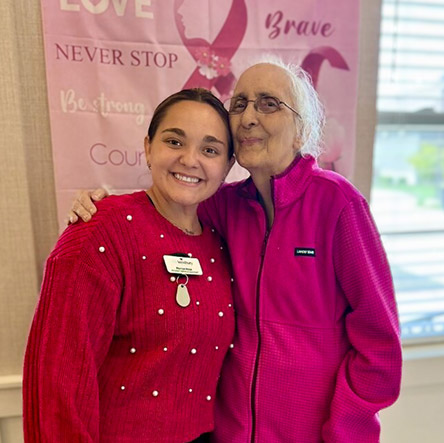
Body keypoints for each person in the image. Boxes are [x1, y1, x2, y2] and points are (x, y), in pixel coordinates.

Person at [68, 62, 403, 442]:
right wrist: (105, 204)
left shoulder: (338, 204)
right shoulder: (221, 205)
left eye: (268, 104)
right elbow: (162, 207)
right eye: (239, 104)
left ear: (303, 130)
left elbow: (380, 347)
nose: (247, 118)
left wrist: (346, 431)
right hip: (225, 434)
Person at [23, 88, 236, 443]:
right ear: (148, 147)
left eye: (210, 150)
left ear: (228, 166)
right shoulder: (99, 232)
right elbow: (57, 381)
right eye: (174, 141)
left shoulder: (220, 240)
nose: (190, 159)